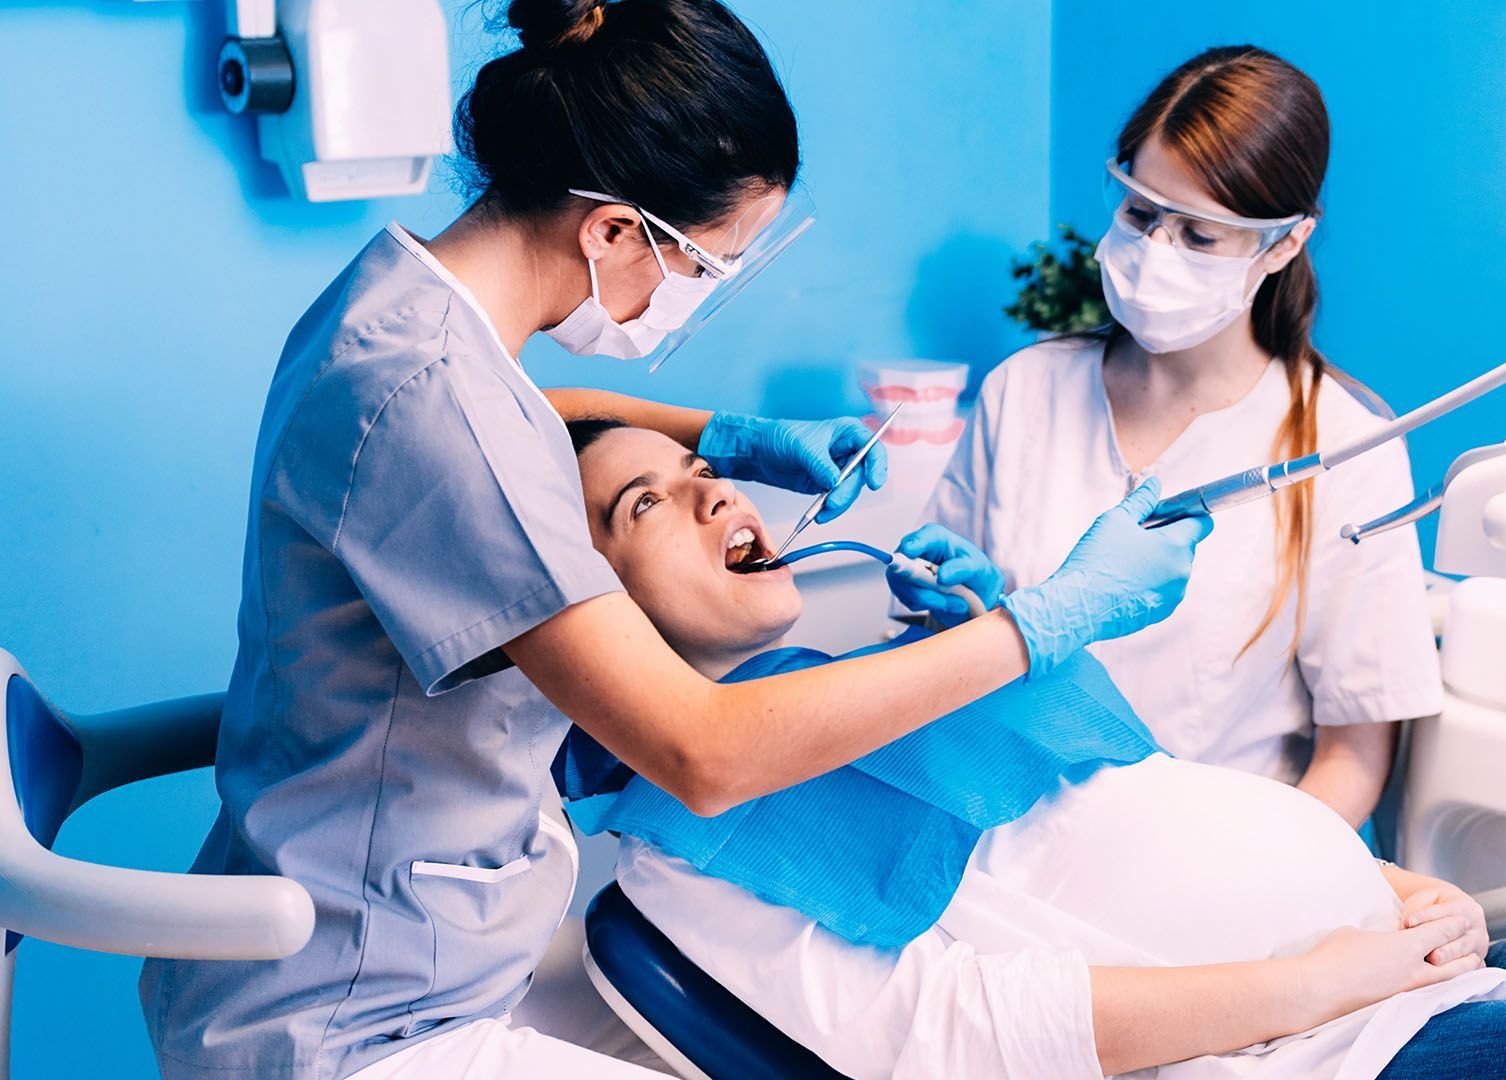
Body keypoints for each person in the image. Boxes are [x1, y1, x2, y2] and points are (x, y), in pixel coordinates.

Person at [137, 3, 1209, 1077]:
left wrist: (722, 435)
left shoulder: (400, 308)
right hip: (350, 1026)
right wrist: (1046, 621)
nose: (690, 299)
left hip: (397, 954)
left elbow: (516, 407)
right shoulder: (430, 400)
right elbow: (706, 752)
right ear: (609, 230)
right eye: (703, 266)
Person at [563, 418, 1506, 1080]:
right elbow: (973, 1034)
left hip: (1395, 979)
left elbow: (1145, 810)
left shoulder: (879, 666)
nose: (713, 497)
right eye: (649, 510)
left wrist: (1385, 894)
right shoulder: (697, 840)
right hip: (1313, 1054)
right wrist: (1321, 979)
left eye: (708, 480)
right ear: (576, 612)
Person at [925, 47, 1434, 827]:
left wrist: (1243, 892)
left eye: (1200, 236)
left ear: (1287, 243)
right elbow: (947, 660)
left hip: (1214, 860)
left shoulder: (1344, 448)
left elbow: (1353, 756)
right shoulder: (1023, 391)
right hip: (1001, 838)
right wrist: (942, 606)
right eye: (1139, 214)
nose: (1156, 252)